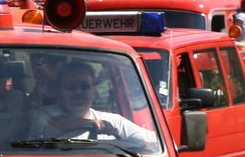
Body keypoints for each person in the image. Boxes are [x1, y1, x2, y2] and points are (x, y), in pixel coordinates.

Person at [29, 60, 158, 146]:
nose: (78, 92)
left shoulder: (113, 121)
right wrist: (95, 125)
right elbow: (58, 124)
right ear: (59, 91)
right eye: (71, 87)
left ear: (94, 90)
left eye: (84, 86)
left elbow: (152, 141)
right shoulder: (44, 115)